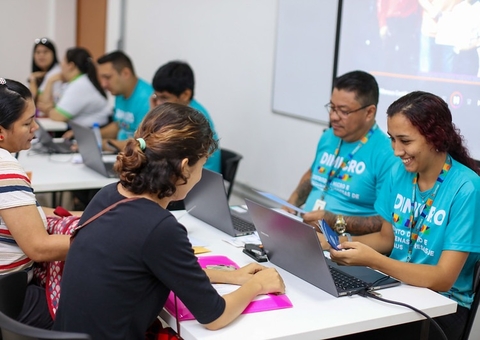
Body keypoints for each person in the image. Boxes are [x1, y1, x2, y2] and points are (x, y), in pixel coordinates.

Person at [53, 103, 285, 339]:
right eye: (202, 165)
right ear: (184, 167)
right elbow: (215, 316)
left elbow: (169, 269)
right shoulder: (160, 228)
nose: (201, 174)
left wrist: (232, 276)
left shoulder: (108, 194)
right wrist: (258, 285)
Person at [328, 91, 480, 340]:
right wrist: (341, 243)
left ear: (436, 137)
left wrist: (375, 261)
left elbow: (443, 278)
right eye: (392, 139)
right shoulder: (400, 174)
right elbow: (387, 239)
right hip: (397, 288)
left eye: (405, 141)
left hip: (442, 308)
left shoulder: (467, 188)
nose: (397, 151)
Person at [0, 78, 82, 329]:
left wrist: (86, 215)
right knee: (103, 305)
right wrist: (110, 241)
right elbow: (40, 247)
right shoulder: (5, 165)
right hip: (11, 299)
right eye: (27, 123)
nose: (36, 127)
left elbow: (22, 211)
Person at [285, 70, 398, 238]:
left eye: (344, 111)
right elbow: (313, 175)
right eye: (332, 107)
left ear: (369, 112)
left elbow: (387, 223)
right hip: (305, 232)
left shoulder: (388, 154)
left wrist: (335, 221)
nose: (333, 117)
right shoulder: (329, 136)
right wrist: (289, 207)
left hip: (345, 244)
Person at [151, 60, 221, 173]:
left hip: (199, 181)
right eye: (156, 97)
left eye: (164, 98)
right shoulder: (181, 111)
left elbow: (158, 152)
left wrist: (153, 117)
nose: (158, 103)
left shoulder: (193, 120)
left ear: (185, 95)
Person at [36, 47, 111, 128]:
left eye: (63, 61)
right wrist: (50, 81)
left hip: (93, 132)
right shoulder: (73, 82)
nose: (61, 65)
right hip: (85, 130)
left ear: (70, 66)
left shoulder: (80, 85)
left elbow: (58, 116)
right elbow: (43, 104)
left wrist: (48, 110)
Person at [96, 50, 153, 151]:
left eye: (108, 77)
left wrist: (106, 144)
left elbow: (144, 143)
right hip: (121, 154)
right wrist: (92, 135)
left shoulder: (148, 100)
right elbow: (119, 125)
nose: (103, 84)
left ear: (126, 73)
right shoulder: (119, 93)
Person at [27, 37, 64, 110]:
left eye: (45, 52)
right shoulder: (37, 75)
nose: (41, 55)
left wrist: (32, 80)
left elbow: (41, 102)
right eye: (38, 52)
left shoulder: (57, 72)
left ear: (53, 54)